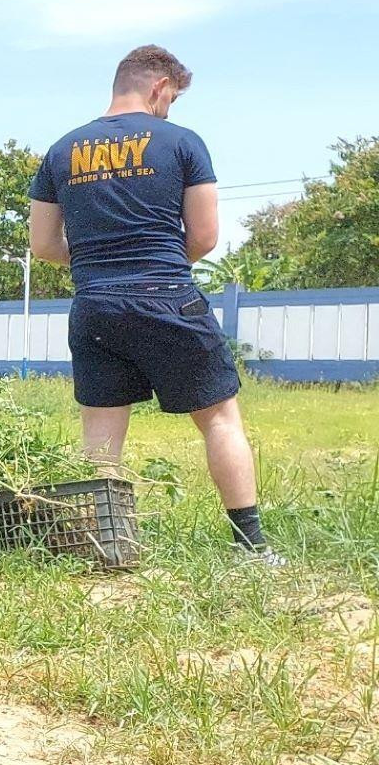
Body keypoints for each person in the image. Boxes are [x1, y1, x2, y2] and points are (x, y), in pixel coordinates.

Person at [29, 45, 274, 559]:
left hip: (95, 305)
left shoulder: (61, 151)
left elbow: (44, 245)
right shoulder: (181, 142)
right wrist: (155, 261)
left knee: (101, 434)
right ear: (160, 87)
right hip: (167, 298)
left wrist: (99, 263)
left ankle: (104, 547)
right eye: (172, 99)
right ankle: (251, 548)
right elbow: (204, 237)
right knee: (220, 420)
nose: (169, 110)